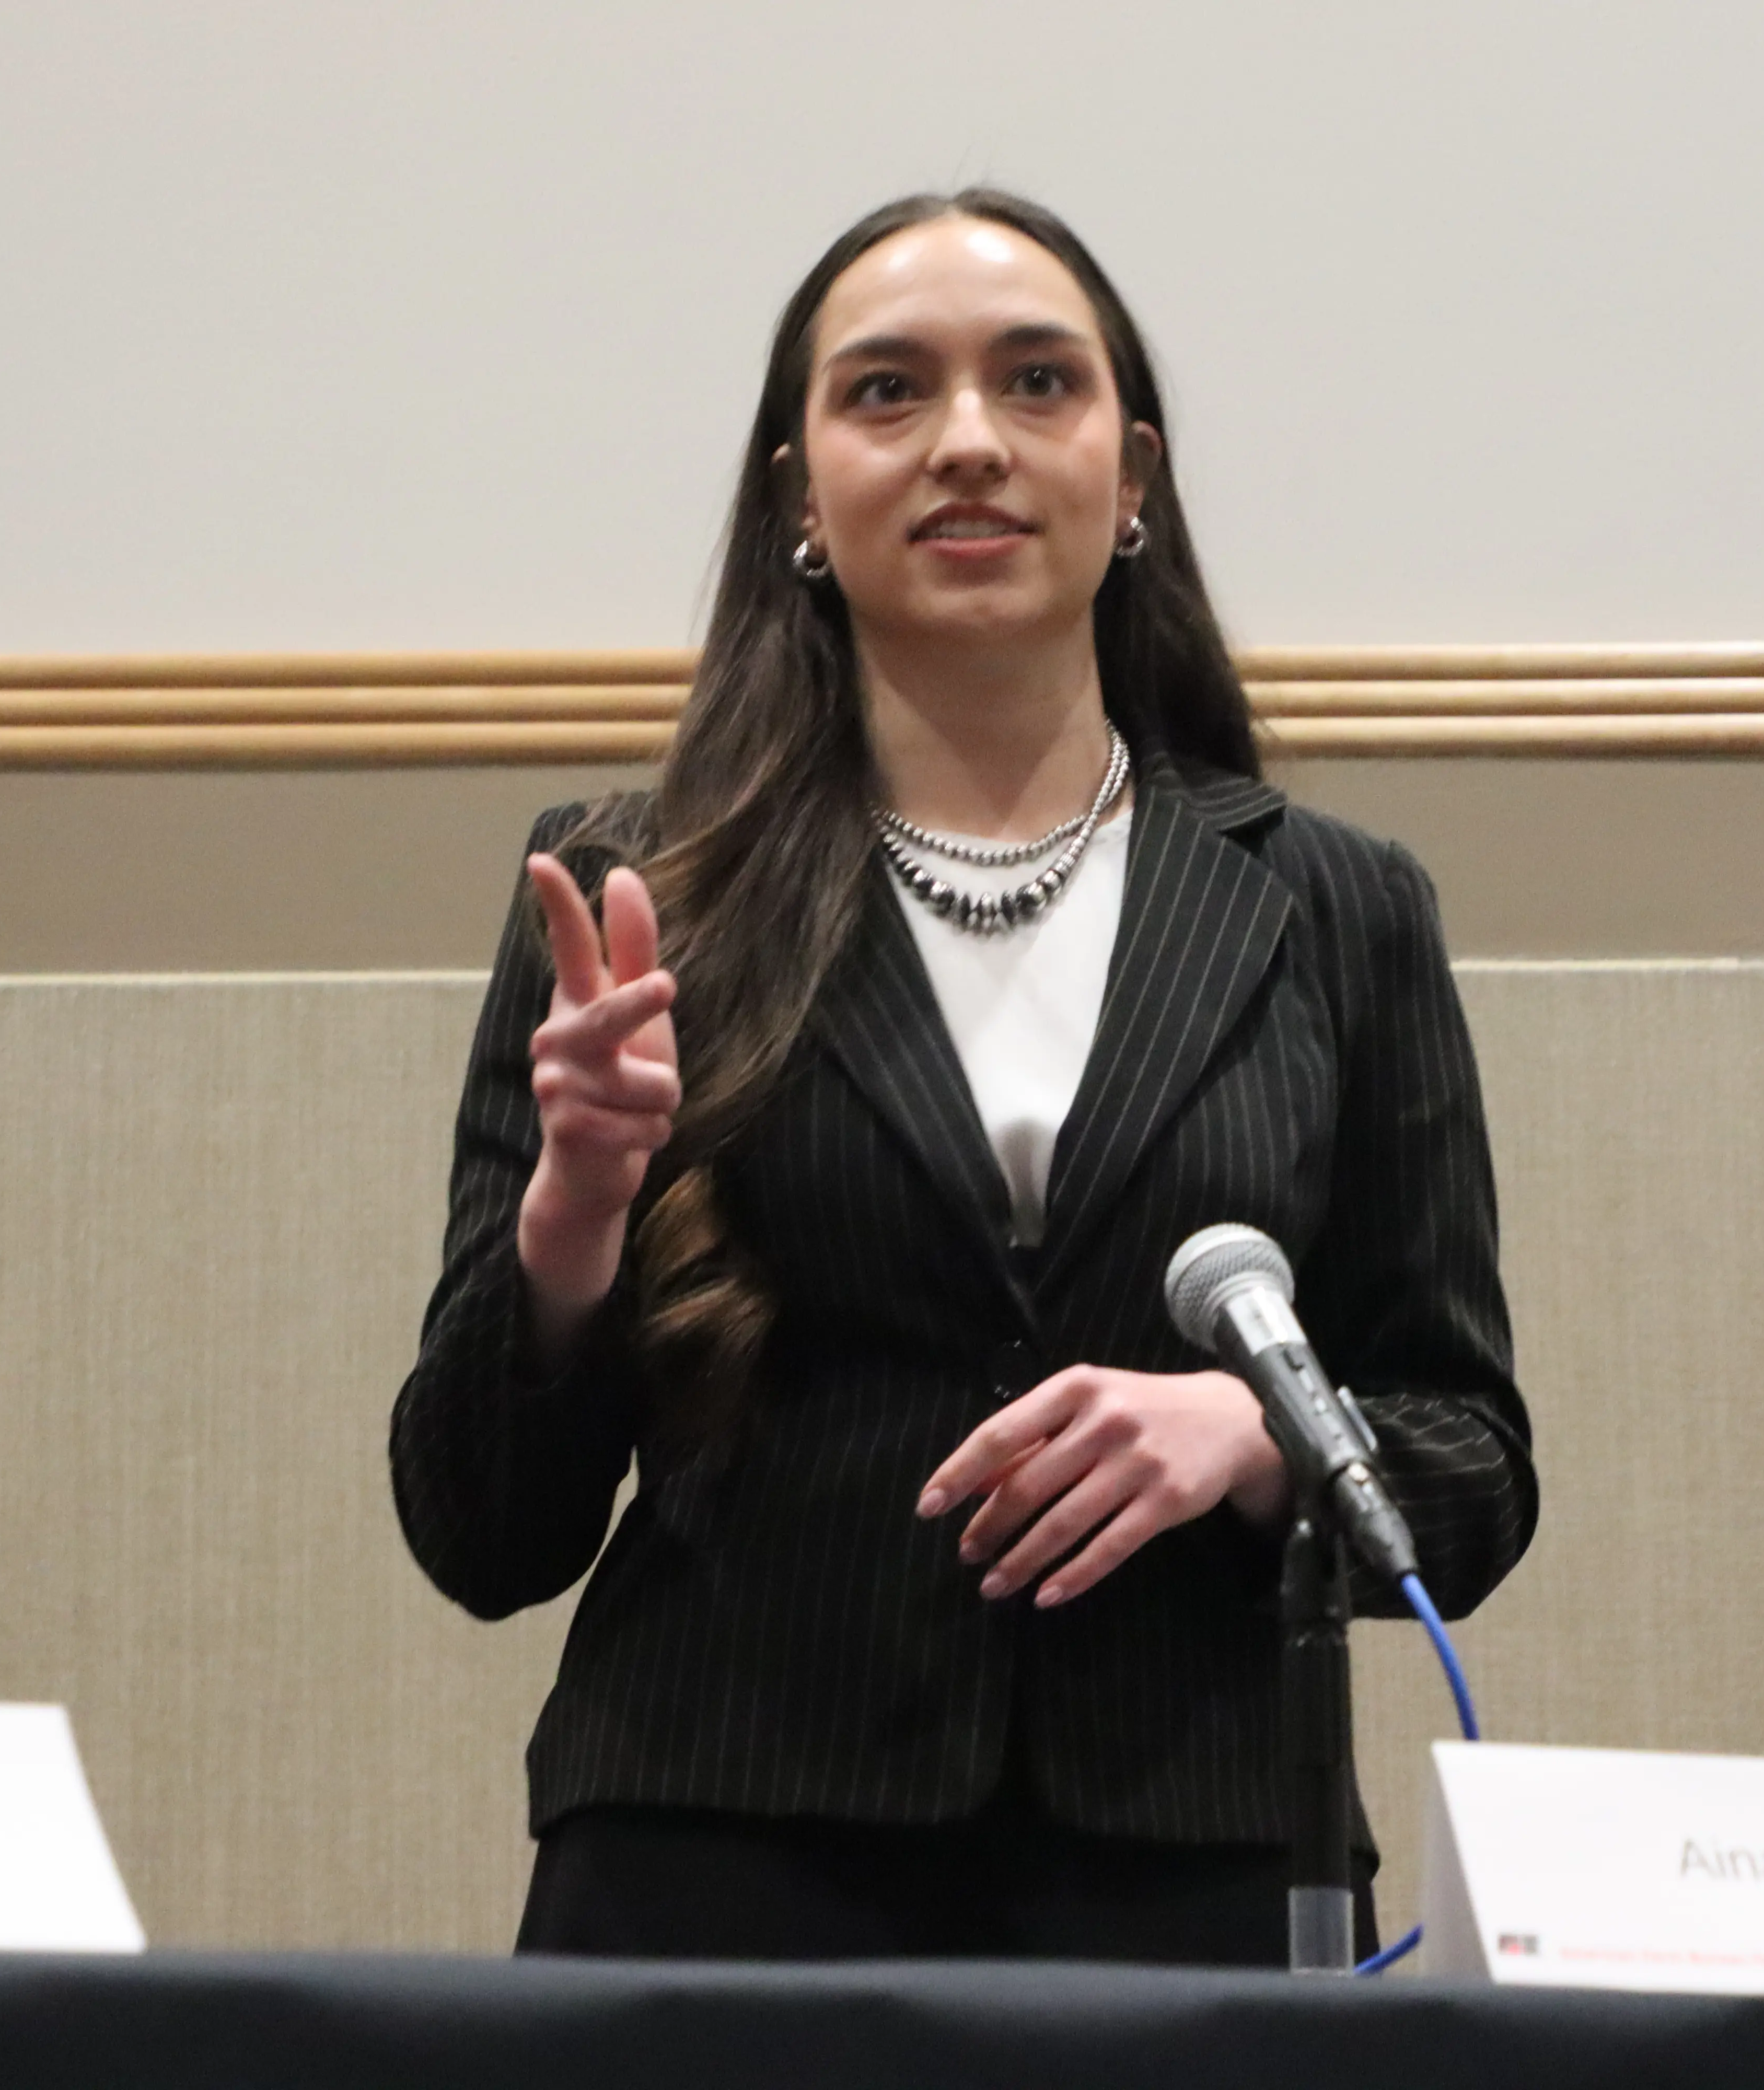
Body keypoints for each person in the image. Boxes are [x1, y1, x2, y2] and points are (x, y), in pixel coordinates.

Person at [389, 189, 1536, 1966]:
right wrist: (572, 1223)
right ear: (796, 494)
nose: (972, 444)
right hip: (718, 1868)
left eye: (1037, 383)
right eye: (889, 393)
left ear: (1133, 474)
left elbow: (1471, 1470)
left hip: (1196, 1873)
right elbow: (478, 1528)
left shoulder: (1335, 907)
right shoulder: (635, 888)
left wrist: (1250, 1438)